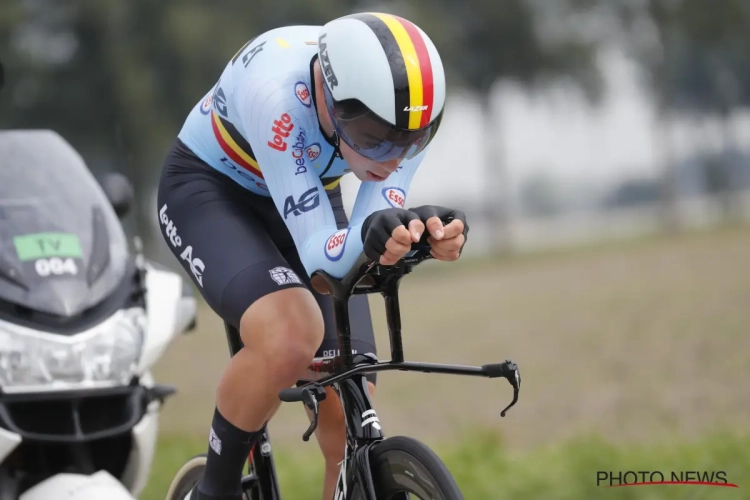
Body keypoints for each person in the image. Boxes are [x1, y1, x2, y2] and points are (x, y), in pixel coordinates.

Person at [158, 11, 468, 500]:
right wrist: (380, 234)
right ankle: (213, 492)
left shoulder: (410, 114)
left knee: (346, 403)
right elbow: (323, 259)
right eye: (373, 137)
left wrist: (421, 231)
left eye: (410, 142)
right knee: (292, 335)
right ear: (330, 99)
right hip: (210, 194)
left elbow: (377, 218)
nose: (392, 160)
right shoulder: (278, 102)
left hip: (306, 194)